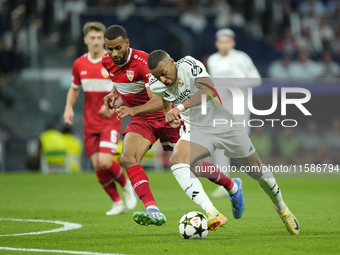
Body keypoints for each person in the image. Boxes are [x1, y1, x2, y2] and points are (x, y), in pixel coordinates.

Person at [102, 25, 244, 230]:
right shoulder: (107, 61)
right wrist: (114, 93)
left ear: (127, 43)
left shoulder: (143, 63)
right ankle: (152, 209)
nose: (114, 53)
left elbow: (159, 100)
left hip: (165, 115)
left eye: (117, 48)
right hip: (142, 120)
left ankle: (232, 186)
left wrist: (133, 110)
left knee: (192, 166)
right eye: (109, 49)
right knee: (127, 158)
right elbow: (120, 77)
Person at [147, 49, 300, 235]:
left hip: (224, 124)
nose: (162, 79)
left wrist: (178, 108)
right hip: (197, 129)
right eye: (157, 76)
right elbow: (164, 95)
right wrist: (166, 113)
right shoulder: (155, 84)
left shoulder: (188, 64)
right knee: (177, 161)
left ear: (172, 62)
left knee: (257, 170)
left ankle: (282, 208)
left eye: (164, 74)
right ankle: (212, 212)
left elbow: (208, 90)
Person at [63, 22, 137, 216]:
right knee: (97, 165)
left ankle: (127, 184)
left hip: (110, 119)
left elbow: (125, 89)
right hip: (89, 121)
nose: (96, 42)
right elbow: (74, 88)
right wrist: (69, 107)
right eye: (92, 38)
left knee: (105, 161)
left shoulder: (112, 61)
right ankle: (117, 202)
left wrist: (113, 104)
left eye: (99, 38)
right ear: (85, 40)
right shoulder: (79, 64)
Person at [207, 28, 261, 197]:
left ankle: (261, 177)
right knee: (219, 142)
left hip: (239, 107)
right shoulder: (213, 60)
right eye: (221, 42)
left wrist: (236, 84)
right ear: (217, 44)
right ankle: (224, 182)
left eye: (227, 41)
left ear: (233, 43)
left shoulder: (241, 58)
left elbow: (257, 79)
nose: (224, 45)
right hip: (221, 108)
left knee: (243, 144)